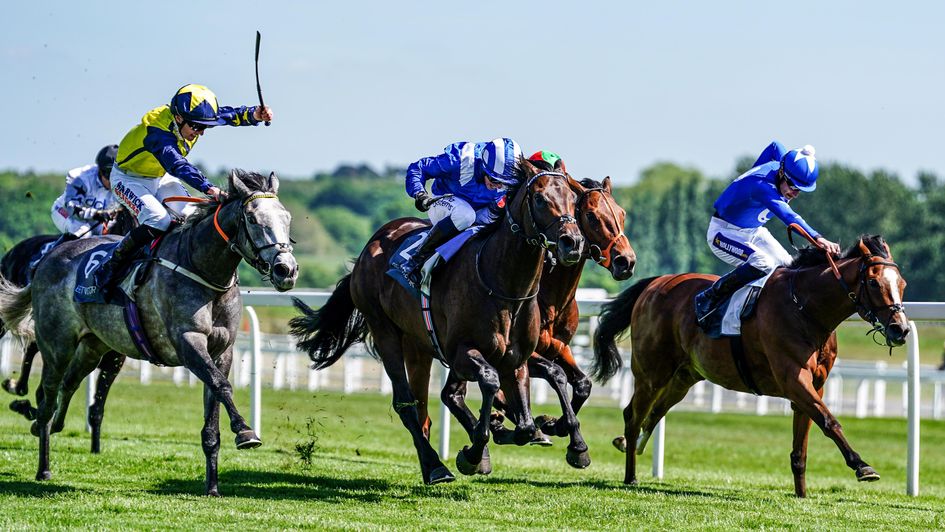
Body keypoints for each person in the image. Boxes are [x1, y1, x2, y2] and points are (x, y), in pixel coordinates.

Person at [93, 83, 273, 298]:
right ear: (178, 118)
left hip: (159, 176)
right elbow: (178, 165)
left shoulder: (191, 118)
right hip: (127, 179)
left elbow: (227, 115)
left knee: (190, 216)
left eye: (205, 127)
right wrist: (209, 188)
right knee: (158, 220)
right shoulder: (157, 131)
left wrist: (254, 114)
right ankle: (110, 266)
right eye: (197, 127)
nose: (201, 133)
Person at [694, 141, 841, 329]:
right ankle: (710, 297)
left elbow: (775, 146)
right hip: (723, 233)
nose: (794, 193)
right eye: (792, 186)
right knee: (763, 263)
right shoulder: (762, 187)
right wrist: (818, 238)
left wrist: (754, 170)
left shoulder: (782, 165)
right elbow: (789, 217)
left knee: (789, 266)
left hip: (754, 230)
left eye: (799, 190)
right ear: (782, 174)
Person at [398, 137, 524, 287]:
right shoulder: (459, 159)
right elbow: (418, 168)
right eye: (494, 179)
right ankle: (416, 259)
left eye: (504, 183)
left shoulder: (514, 173)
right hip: (445, 202)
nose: (498, 186)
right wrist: (420, 194)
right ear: (484, 166)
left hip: (481, 208)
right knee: (466, 215)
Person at [50, 144, 121, 239]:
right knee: (83, 232)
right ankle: (57, 248)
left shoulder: (124, 184)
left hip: (94, 219)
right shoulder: (81, 178)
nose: (113, 183)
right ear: (100, 171)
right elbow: (72, 209)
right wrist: (96, 214)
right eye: (109, 176)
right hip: (65, 212)